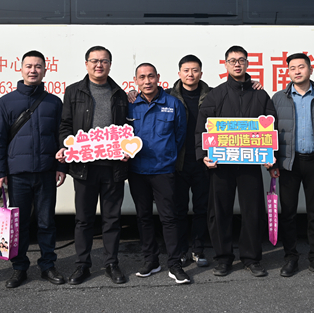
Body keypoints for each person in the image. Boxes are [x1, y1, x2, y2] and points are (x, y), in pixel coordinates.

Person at [195, 45, 274, 278]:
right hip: (221, 165)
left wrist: (270, 155)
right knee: (219, 212)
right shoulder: (216, 95)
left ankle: (252, 258)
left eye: (241, 60)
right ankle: (223, 258)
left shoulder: (260, 94)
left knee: (252, 211)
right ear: (226, 64)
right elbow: (201, 128)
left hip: (250, 163)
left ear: (247, 63)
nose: (237, 64)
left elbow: (272, 126)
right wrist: (203, 154)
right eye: (232, 61)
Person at [56, 46, 130, 285]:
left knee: (112, 219)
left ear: (110, 64)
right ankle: (82, 265)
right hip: (84, 167)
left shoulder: (120, 94)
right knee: (84, 219)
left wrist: (128, 150)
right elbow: (65, 125)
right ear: (86, 64)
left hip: (113, 167)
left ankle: (111, 264)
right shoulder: (73, 91)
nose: (99, 65)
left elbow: (129, 128)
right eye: (94, 61)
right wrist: (66, 147)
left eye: (104, 61)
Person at [0, 50, 67, 288]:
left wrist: (61, 166)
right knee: (19, 223)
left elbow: (61, 137)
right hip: (18, 174)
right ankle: (19, 268)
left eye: (38, 66)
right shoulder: (5, 102)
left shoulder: (54, 102)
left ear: (45, 70)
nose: (33, 70)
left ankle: (48, 265)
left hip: (46, 171)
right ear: (21, 68)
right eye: (29, 66)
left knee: (47, 222)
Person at [269, 53, 314, 279]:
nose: (297, 71)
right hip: (288, 163)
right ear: (288, 72)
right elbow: (270, 133)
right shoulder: (278, 98)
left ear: (310, 69)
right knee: (288, 213)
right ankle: (291, 257)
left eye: (301, 67)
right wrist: (273, 162)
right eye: (292, 68)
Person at [128, 63, 191, 284]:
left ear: (158, 78)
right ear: (136, 81)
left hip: (164, 170)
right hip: (137, 171)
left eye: (151, 76)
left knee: (169, 218)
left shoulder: (173, 104)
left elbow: (180, 136)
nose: (147, 81)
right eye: (142, 77)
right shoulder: (129, 105)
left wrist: (168, 156)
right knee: (143, 217)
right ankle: (151, 261)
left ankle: (174, 264)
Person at [167, 55, 212, 268]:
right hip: (179, 161)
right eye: (186, 70)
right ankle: (182, 250)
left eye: (194, 70)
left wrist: (253, 84)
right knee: (179, 209)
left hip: (204, 161)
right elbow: (144, 97)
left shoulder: (213, 95)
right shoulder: (168, 96)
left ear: (201, 73)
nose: (190, 74)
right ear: (179, 73)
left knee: (202, 208)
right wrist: (132, 93)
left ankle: (198, 248)